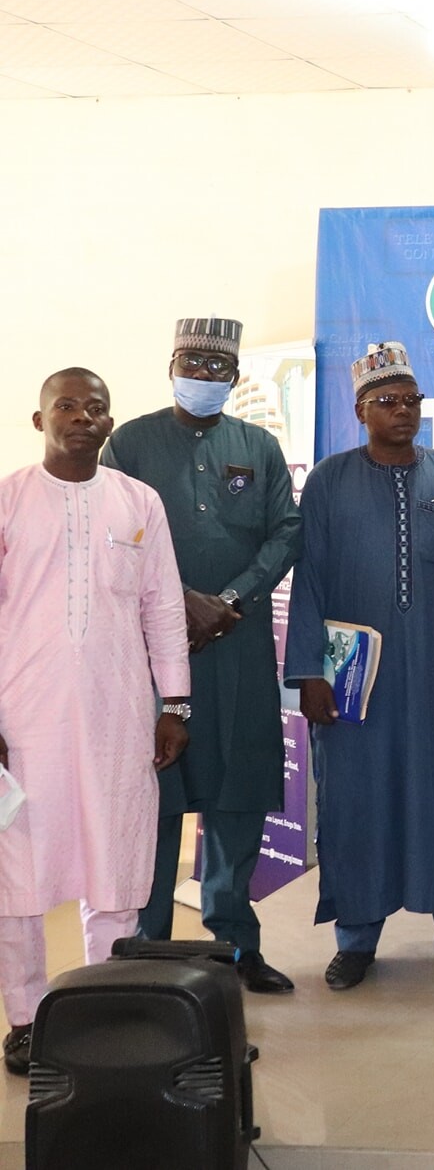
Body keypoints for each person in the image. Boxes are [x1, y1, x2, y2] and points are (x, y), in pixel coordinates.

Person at [285, 342, 434, 991]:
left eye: (411, 400)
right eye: (388, 401)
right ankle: (356, 937)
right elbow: (311, 583)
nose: (402, 411)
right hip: (357, 683)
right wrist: (309, 672)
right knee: (356, 798)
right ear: (361, 410)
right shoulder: (329, 481)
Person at [101, 318, 302, 996]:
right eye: (194, 362)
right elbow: (113, 532)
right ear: (172, 364)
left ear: (236, 377)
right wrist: (180, 599)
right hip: (151, 646)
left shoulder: (258, 445)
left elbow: (286, 531)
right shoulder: (128, 442)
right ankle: (145, 944)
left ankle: (234, 943)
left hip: (238, 642)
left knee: (238, 792)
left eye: (219, 368)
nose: (206, 376)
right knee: (155, 794)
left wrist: (229, 599)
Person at [2, 369, 190, 1076]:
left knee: (114, 861)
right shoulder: (10, 500)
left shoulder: (138, 501)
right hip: (23, 721)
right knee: (18, 878)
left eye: (97, 406)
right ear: (39, 417)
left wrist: (175, 703)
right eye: (68, 405)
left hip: (118, 716)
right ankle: (24, 1018)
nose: (84, 415)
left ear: (111, 422)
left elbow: (164, 609)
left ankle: (102, 1003)